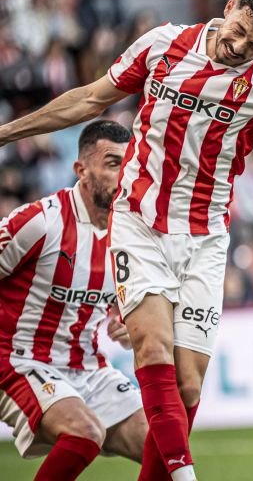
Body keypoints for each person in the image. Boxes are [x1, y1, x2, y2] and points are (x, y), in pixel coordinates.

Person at [0, 0, 253, 481]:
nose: (241, 47)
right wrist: (8, 132)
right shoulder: (164, 43)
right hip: (139, 221)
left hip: (205, 237)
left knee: (187, 390)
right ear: (230, 7)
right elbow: (88, 100)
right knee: (153, 347)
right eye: (240, 31)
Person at [0, 120, 147, 480]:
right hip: (18, 360)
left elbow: (122, 311)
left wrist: (125, 324)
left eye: (129, 166)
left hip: (88, 366)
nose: (124, 176)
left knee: (163, 444)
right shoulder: (39, 222)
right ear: (81, 170)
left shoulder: (133, 235)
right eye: (112, 164)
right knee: (85, 433)